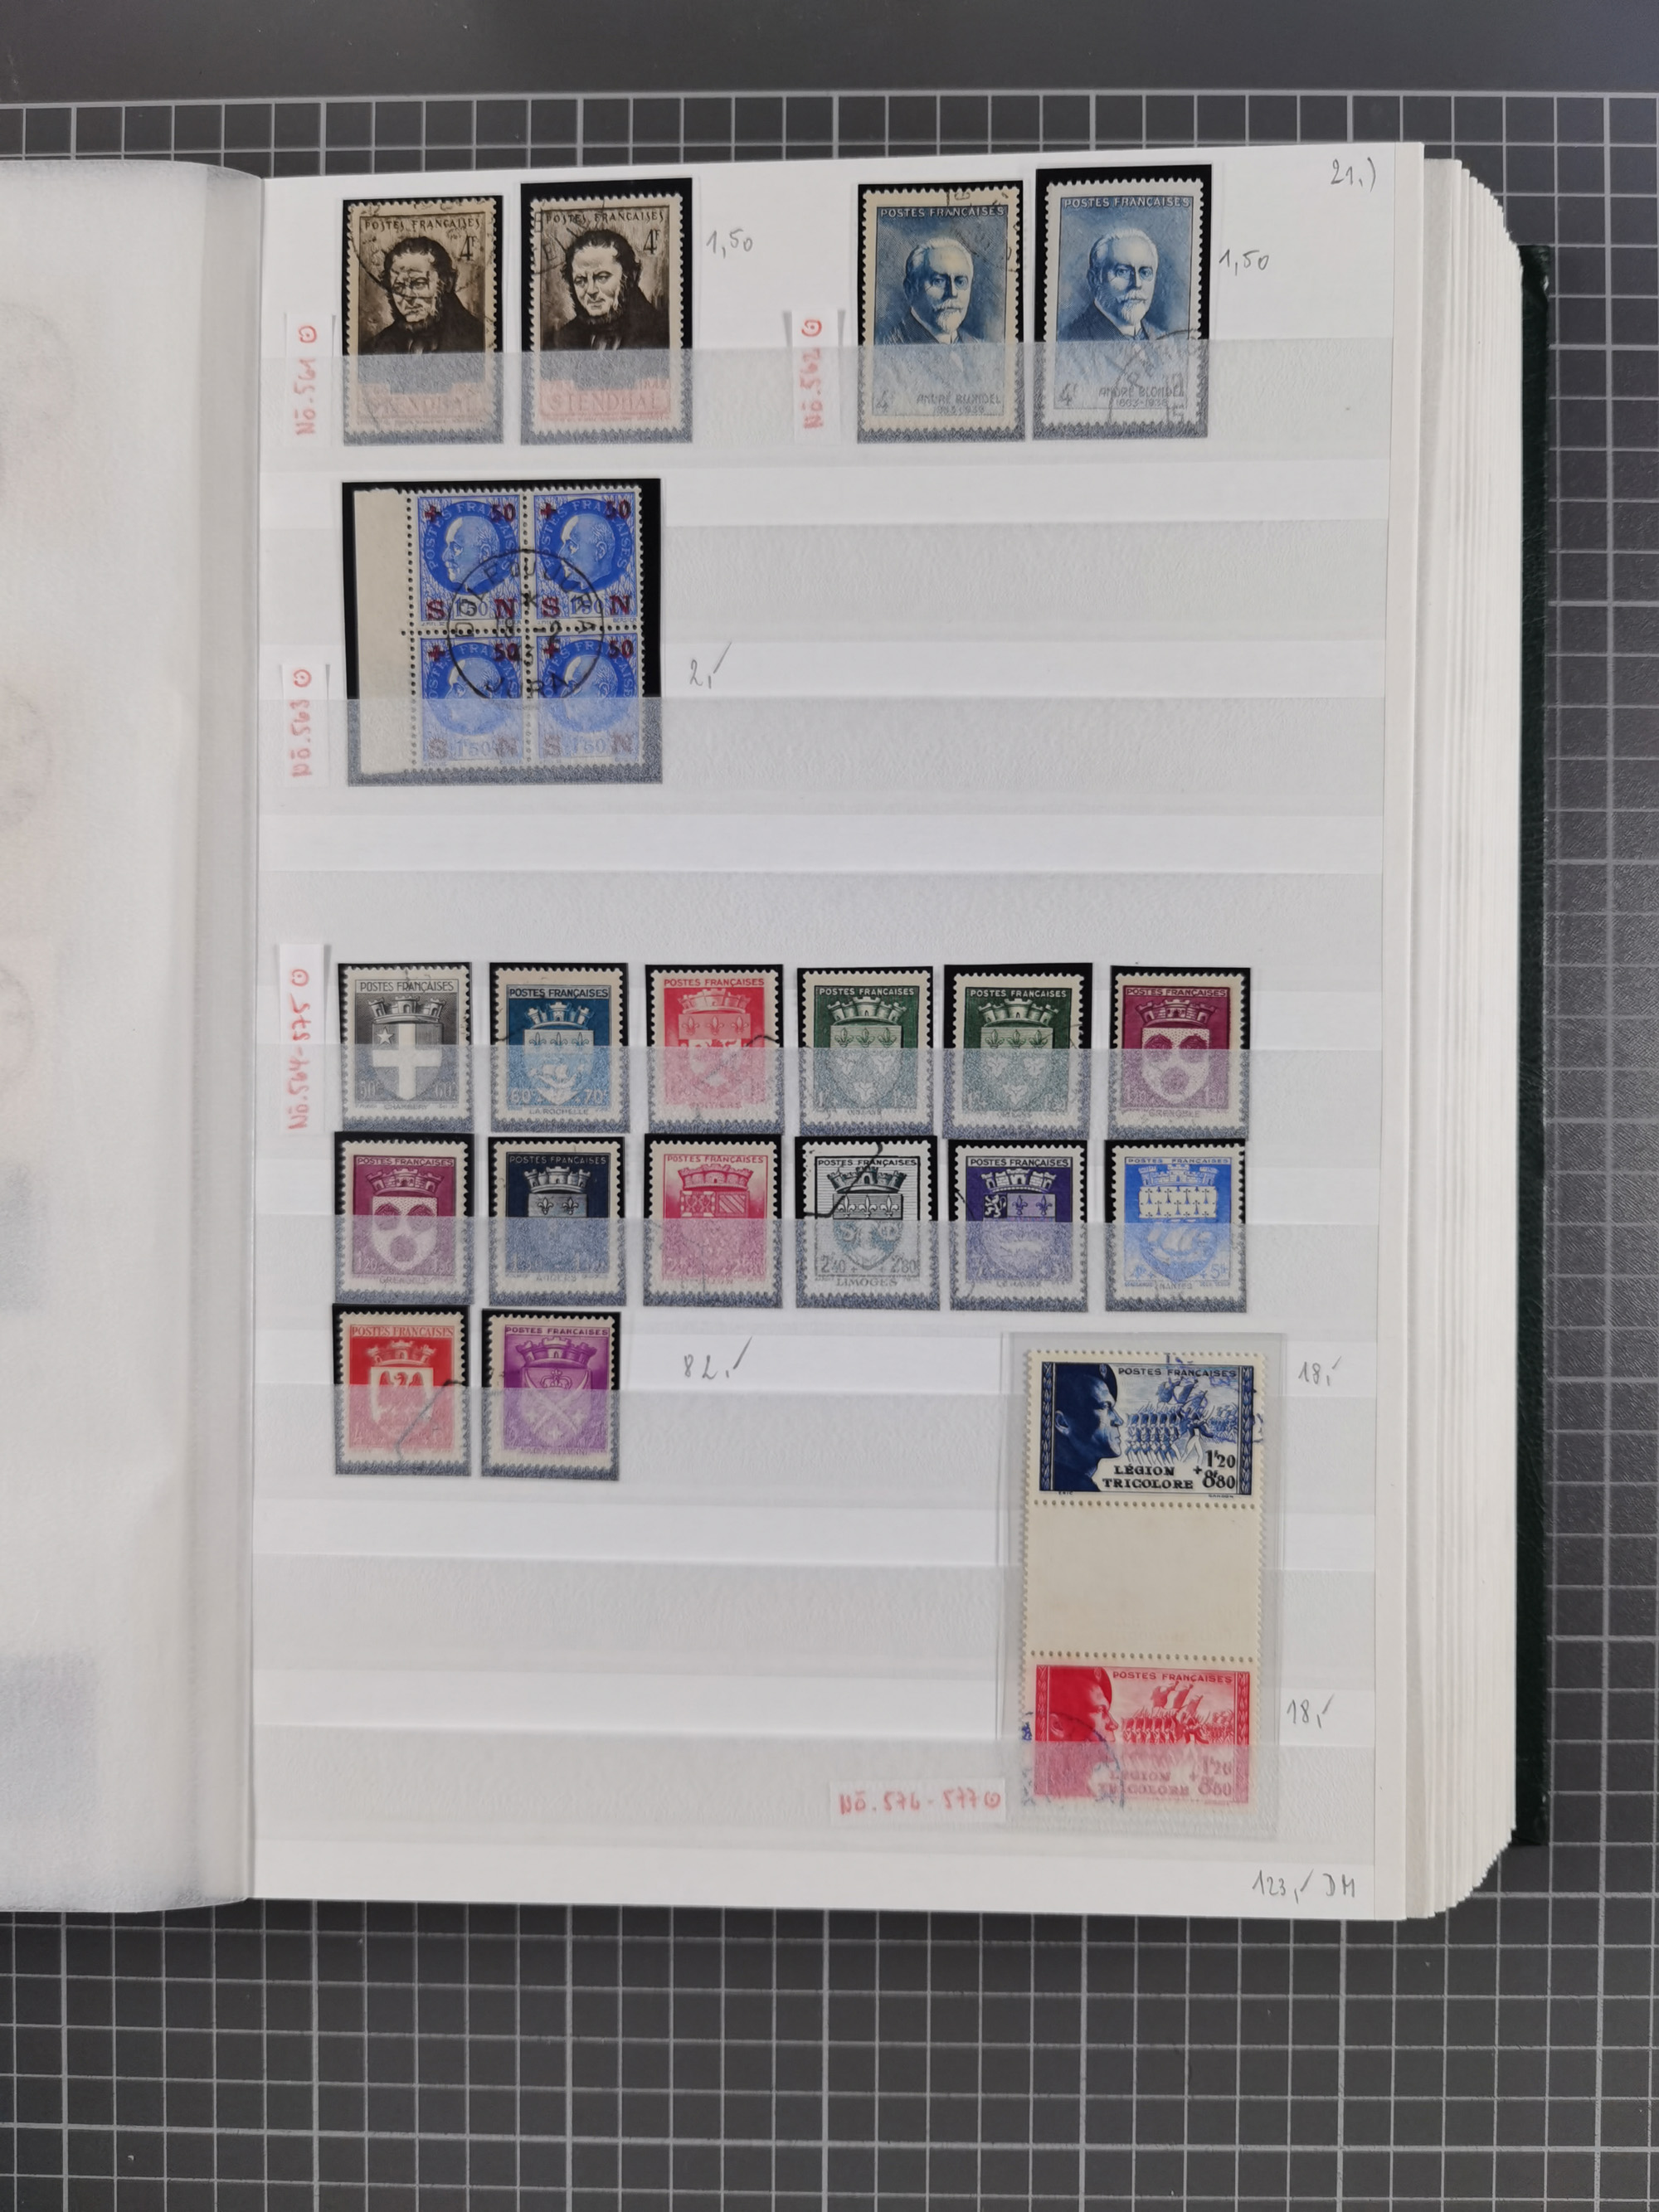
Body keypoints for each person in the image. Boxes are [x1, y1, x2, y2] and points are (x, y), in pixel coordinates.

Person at [549, 227, 670, 350]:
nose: (591, 291)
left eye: (602, 277)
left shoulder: (661, 334)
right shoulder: (563, 338)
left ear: (630, 277)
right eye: (581, 281)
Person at [364, 235, 485, 354]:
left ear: (446, 283)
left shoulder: (479, 340)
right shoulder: (375, 348)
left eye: (419, 283)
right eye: (399, 286)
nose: (409, 298)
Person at [1062, 227, 1166, 343]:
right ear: (1094, 280)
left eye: (1145, 273)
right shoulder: (1070, 337)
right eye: (1122, 272)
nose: (1137, 283)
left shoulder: (1164, 338)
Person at [882, 236, 980, 344]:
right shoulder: (889, 343)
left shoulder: (976, 346)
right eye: (938, 281)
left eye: (960, 282)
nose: (953, 293)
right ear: (911, 290)